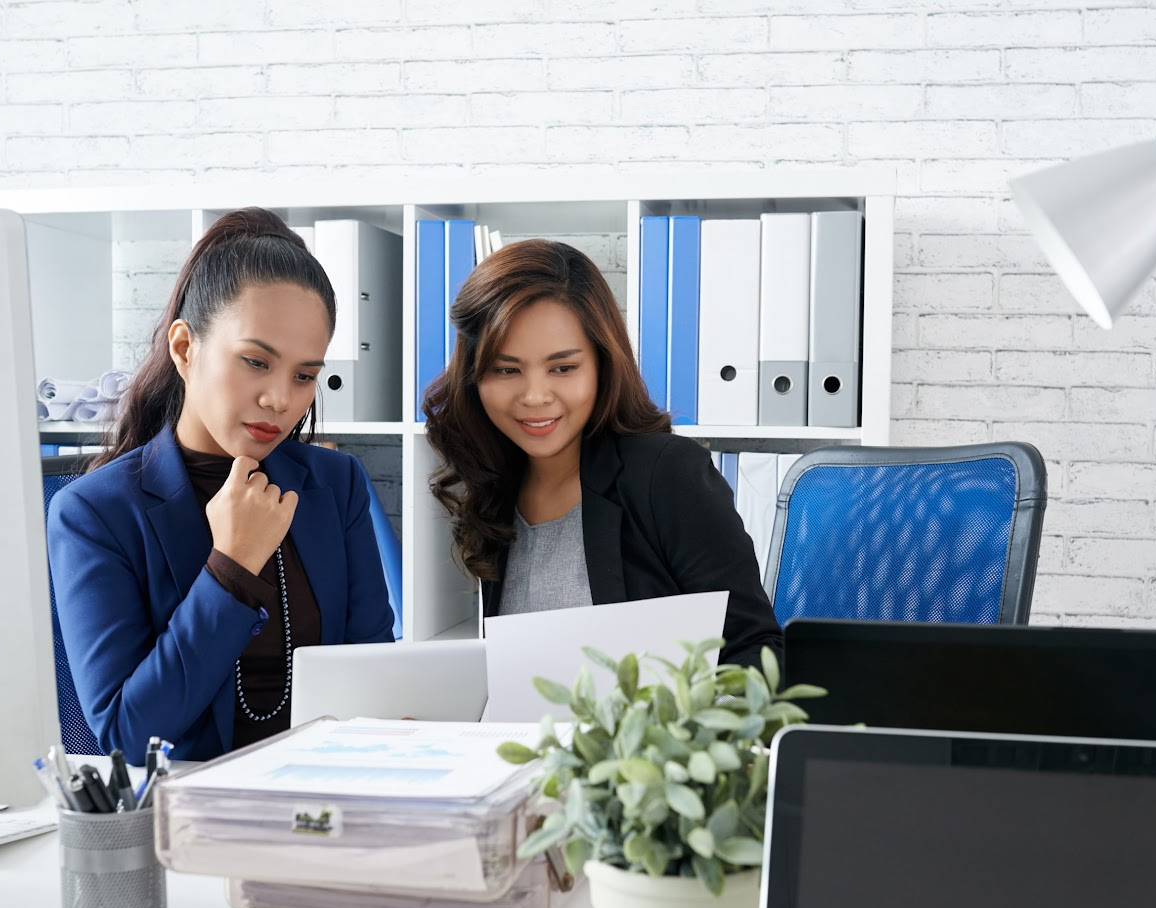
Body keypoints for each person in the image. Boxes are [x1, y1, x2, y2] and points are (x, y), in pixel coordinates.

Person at [48, 207, 394, 762]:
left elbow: (375, 672)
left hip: (330, 798)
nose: (280, 399)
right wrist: (231, 568)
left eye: (305, 375)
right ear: (185, 348)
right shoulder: (93, 512)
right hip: (191, 817)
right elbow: (126, 736)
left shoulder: (336, 484)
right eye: (256, 361)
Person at [422, 238, 782, 668]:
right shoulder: (495, 485)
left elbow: (753, 651)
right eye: (506, 369)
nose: (535, 396)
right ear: (473, 376)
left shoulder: (666, 475)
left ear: (602, 364)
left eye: (563, 368)